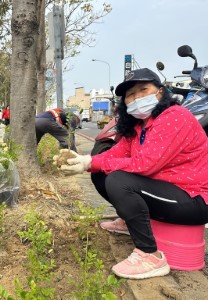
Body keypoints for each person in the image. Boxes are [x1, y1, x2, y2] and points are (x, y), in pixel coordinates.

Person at [54, 68, 208, 279]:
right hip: (168, 191)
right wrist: (85, 162)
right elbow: (113, 154)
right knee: (101, 174)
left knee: (119, 180)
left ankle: (150, 255)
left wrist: (92, 162)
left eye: (143, 90)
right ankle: (129, 221)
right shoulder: (138, 127)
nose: (137, 98)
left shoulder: (174, 117)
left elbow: (145, 165)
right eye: (130, 95)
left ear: (160, 92)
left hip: (194, 198)